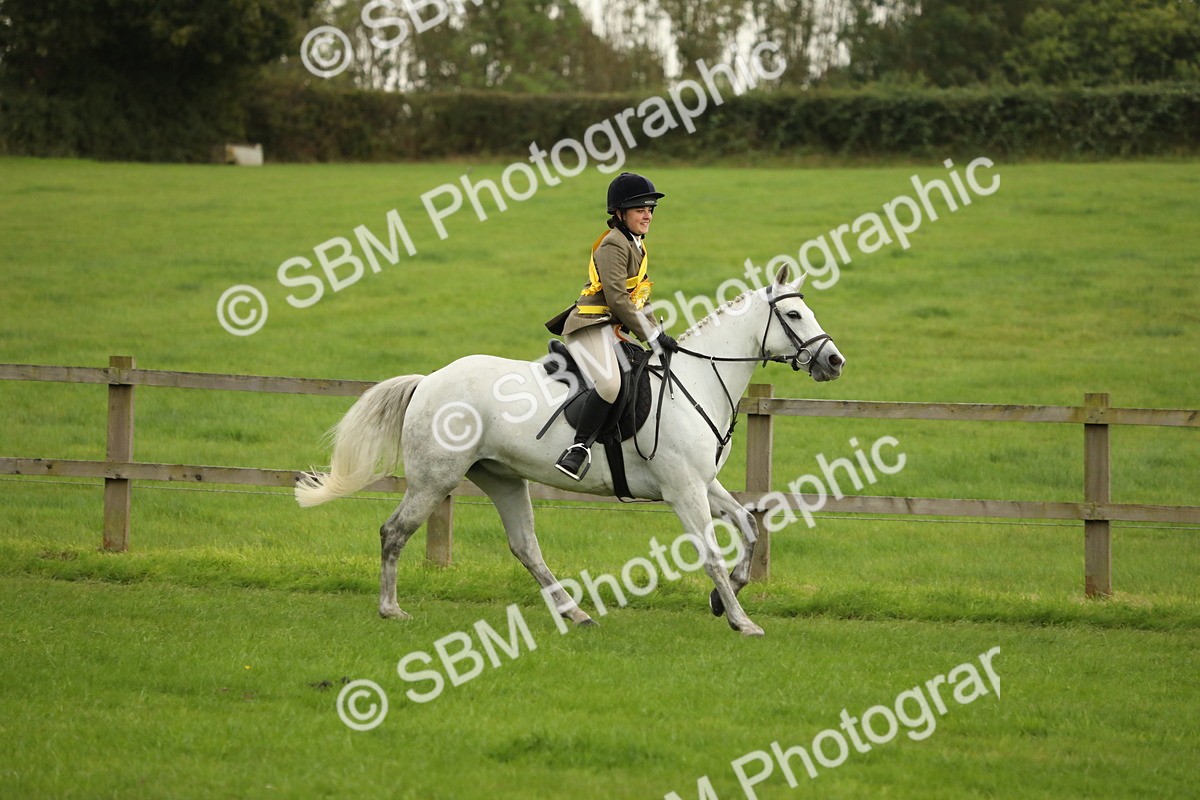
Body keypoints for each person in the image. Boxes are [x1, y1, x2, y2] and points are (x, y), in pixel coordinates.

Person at [544, 172, 679, 481]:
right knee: (609, 384)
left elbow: (640, 298)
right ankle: (578, 448)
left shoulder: (638, 245)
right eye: (639, 209)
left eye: (650, 210)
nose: (647, 215)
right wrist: (650, 335)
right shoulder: (613, 245)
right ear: (620, 213)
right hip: (588, 325)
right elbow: (619, 301)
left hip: (611, 328)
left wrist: (658, 333)